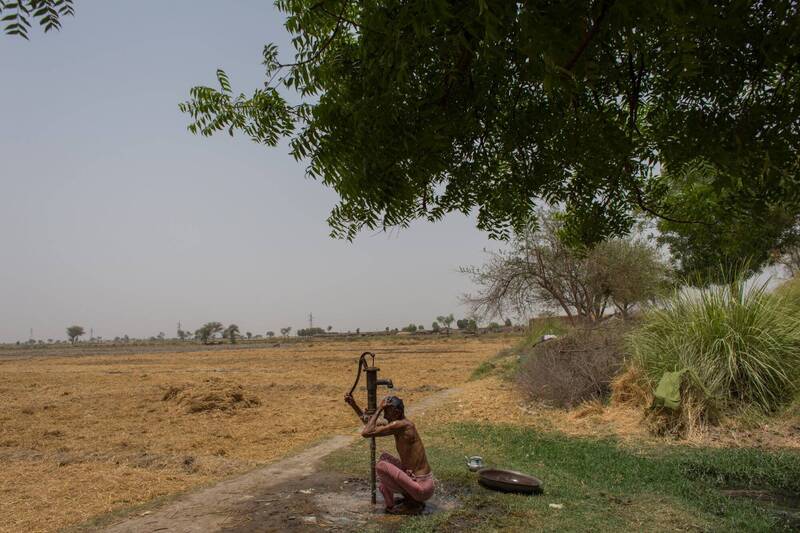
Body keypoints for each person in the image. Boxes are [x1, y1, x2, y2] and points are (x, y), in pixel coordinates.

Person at [344, 393, 434, 514]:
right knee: (384, 457)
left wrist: (379, 408)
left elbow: (366, 433)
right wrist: (354, 405)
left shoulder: (402, 425)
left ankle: (396, 507)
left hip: (422, 488)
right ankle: (409, 500)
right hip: (420, 485)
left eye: (387, 412)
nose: (385, 415)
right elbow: (370, 426)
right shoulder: (399, 424)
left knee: (381, 466)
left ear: (396, 413)